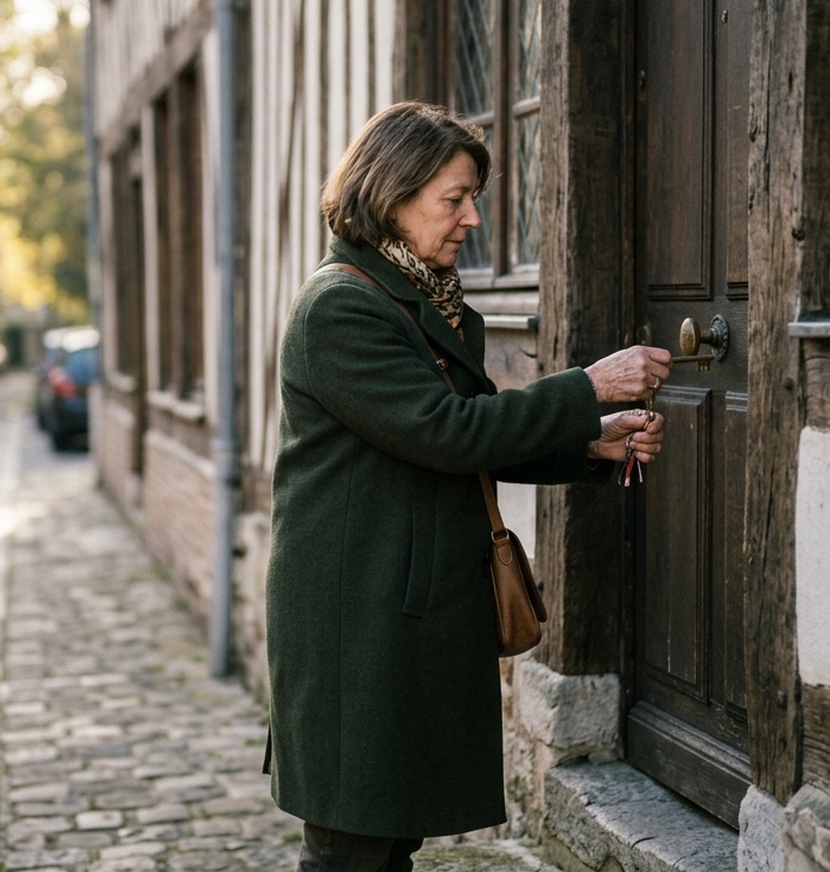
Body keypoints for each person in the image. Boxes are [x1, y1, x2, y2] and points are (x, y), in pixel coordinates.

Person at [266, 102, 670, 872]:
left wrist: (590, 441)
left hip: (400, 603)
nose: (472, 219)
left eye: (472, 198)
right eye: (453, 199)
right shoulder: (340, 307)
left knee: (390, 832)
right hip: (357, 616)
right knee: (349, 841)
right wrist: (587, 386)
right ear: (391, 194)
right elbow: (446, 431)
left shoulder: (417, 298)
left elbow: (473, 433)